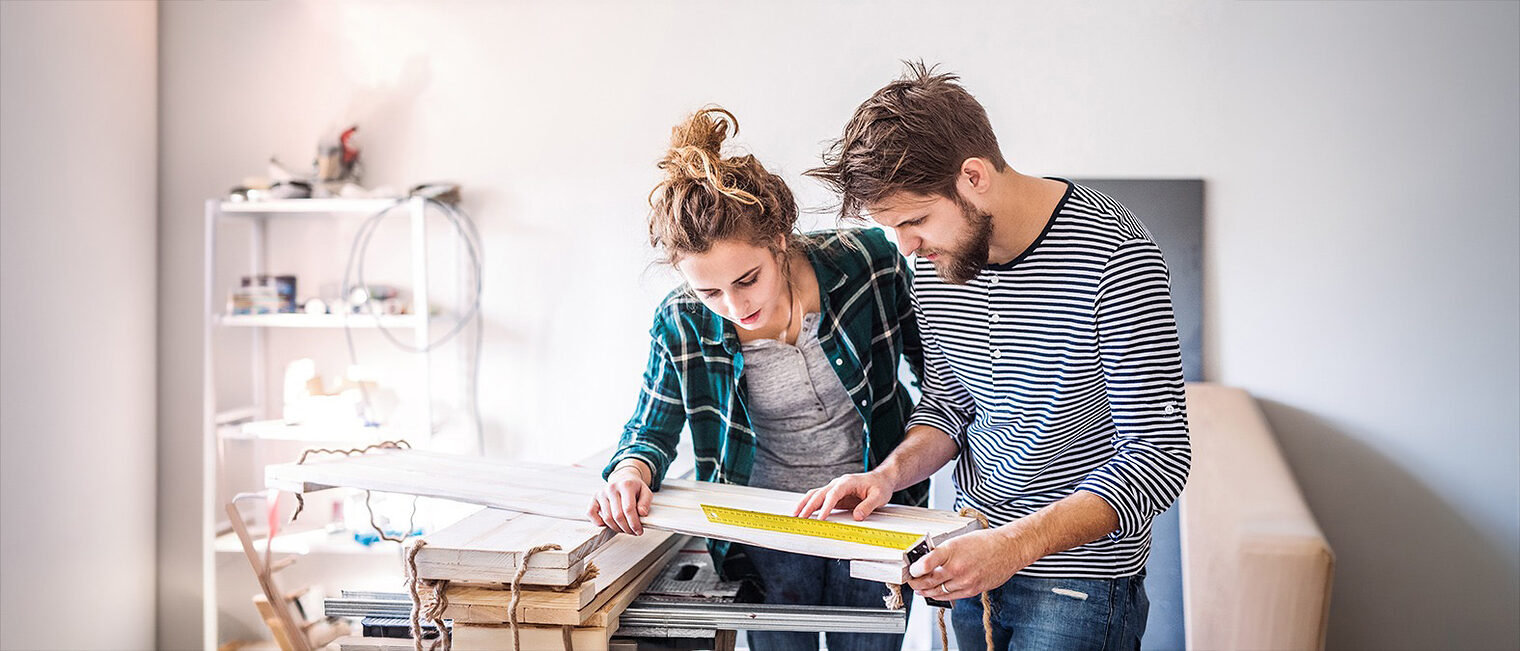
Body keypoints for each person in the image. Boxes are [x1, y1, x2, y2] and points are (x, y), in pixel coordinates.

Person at [795, 63, 1193, 650]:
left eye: (914, 221)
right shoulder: (936, 263)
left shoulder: (1117, 257)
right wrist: (887, 475)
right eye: (891, 228)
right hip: (969, 562)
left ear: (974, 177)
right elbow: (949, 407)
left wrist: (1012, 546)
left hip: (1078, 592)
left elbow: (1159, 463)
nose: (904, 246)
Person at [589, 106, 924, 651]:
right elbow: (650, 429)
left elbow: (942, 376)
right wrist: (629, 472)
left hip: (875, 515)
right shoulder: (682, 321)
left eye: (748, 279)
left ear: (780, 239)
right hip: (766, 523)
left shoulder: (868, 263)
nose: (735, 305)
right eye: (710, 292)